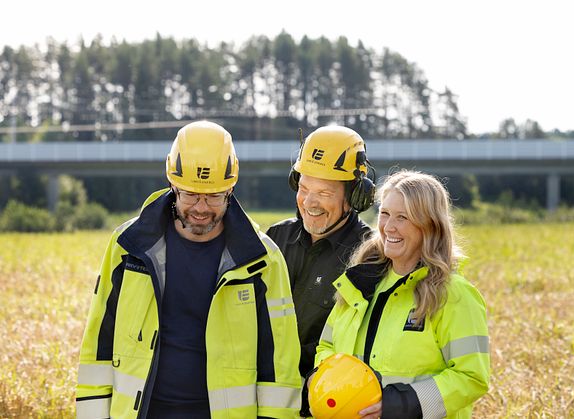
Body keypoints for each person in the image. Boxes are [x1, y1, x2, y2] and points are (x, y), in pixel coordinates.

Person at [75, 121, 302, 419]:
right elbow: (99, 343)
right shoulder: (127, 246)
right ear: (172, 185)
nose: (201, 207)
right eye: (190, 195)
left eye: (214, 196)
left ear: (231, 189)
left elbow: (279, 364)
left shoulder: (262, 260)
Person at [314, 170, 490, 419]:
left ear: (429, 225)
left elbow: (471, 377)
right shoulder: (359, 284)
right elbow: (327, 346)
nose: (389, 227)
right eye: (384, 214)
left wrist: (397, 406)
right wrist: (326, 382)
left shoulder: (454, 294)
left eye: (403, 217)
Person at [267, 125, 375, 378]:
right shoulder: (275, 239)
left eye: (324, 193)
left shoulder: (370, 255)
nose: (309, 203)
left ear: (355, 197)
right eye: (304, 189)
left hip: (324, 393)